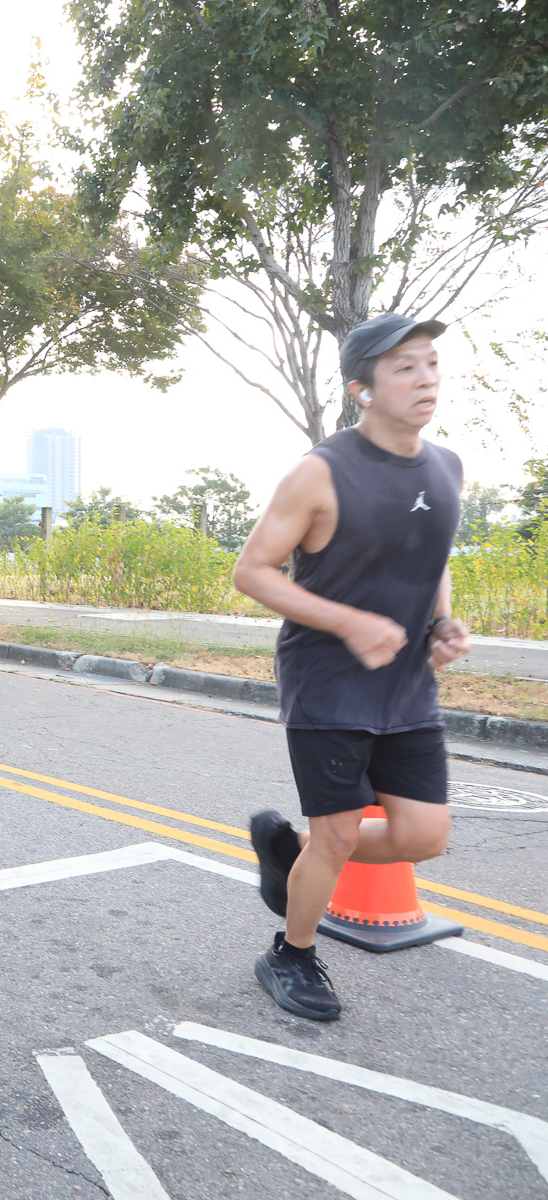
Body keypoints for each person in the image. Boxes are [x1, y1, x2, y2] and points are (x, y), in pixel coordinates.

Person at [235, 314, 470, 1023]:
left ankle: (291, 852)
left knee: (424, 836)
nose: (426, 378)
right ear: (362, 390)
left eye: (430, 363)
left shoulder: (447, 466)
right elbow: (253, 570)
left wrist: (442, 623)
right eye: (405, 367)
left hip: (407, 684)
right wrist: (350, 622)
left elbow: (433, 557)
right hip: (328, 681)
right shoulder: (321, 472)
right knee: (338, 834)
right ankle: (292, 953)